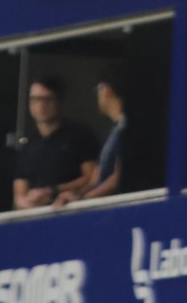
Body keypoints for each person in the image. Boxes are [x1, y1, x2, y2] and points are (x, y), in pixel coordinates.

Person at [11, 75, 99, 211]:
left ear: (59, 100)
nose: (41, 105)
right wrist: (30, 206)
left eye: (48, 99)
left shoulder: (79, 134)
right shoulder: (27, 145)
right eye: (36, 99)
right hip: (34, 219)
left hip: (72, 211)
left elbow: (91, 177)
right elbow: (19, 195)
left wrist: (53, 191)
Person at [70, 73, 131, 202]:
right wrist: (74, 197)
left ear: (106, 89)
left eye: (98, 90)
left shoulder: (128, 129)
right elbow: (95, 181)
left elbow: (117, 178)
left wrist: (81, 200)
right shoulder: (111, 133)